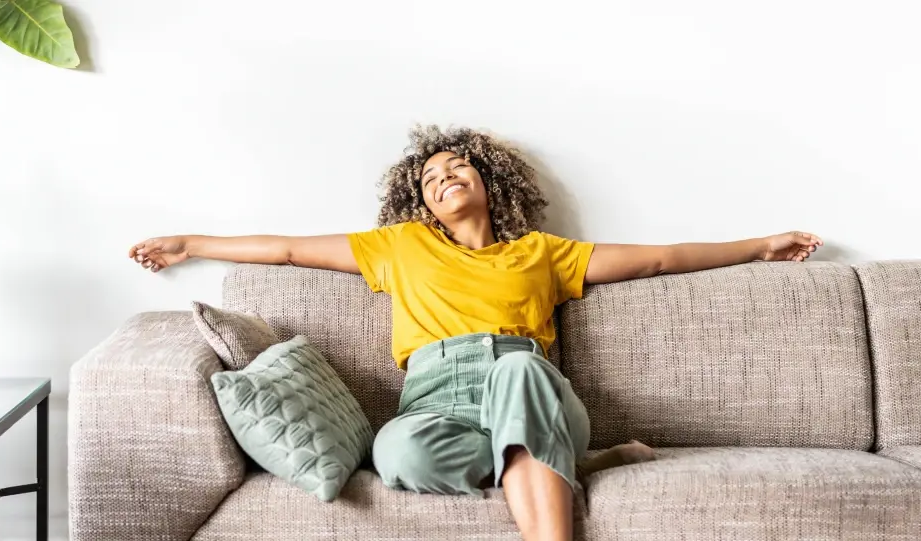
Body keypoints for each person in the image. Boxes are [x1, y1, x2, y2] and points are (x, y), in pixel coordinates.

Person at [129, 125, 822, 541]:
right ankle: (588, 463)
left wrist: (760, 244)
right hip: (432, 400)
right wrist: (190, 242)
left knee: (518, 372)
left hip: (523, 380)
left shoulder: (542, 253)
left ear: (490, 181)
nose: (445, 176)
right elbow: (284, 248)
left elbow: (662, 258)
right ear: (420, 202)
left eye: (458, 165)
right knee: (395, 451)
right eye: (431, 177)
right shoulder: (398, 246)